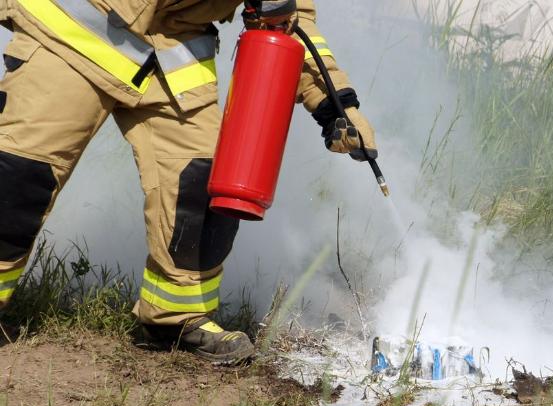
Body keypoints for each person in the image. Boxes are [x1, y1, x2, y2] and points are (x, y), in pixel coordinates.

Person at [0, 0, 376, 363]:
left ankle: (176, 316)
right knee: (21, 174)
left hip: (172, 58)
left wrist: (336, 105)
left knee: (205, 184)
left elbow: (291, 21)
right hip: (72, 35)